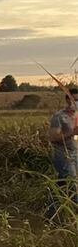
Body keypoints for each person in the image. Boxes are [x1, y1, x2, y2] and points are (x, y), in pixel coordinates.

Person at [46, 87, 78, 215]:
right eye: (74, 99)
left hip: (76, 153)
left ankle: (50, 213)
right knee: (72, 184)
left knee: (62, 184)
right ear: (67, 99)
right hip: (64, 154)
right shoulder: (59, 117)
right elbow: (53, 137)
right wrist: (72, 132)